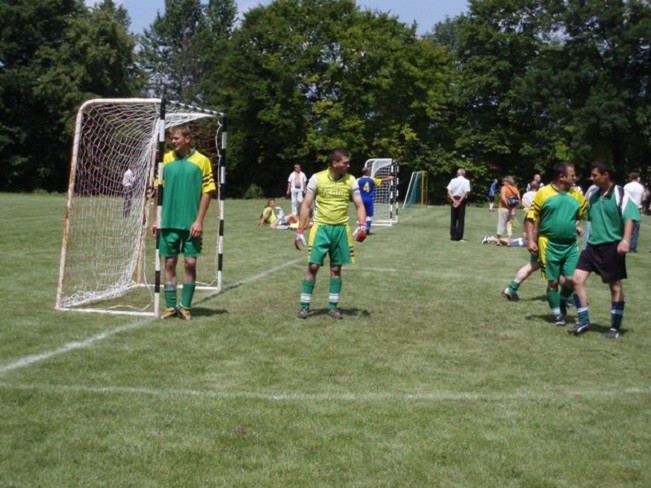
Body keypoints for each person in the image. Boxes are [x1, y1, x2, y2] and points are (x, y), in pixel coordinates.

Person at [151, 124, 216, 320]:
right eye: (171, 138)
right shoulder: (165, 160)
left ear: (187, 139)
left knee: (190, 263)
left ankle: (185, 307)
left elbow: (208, 192)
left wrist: (199, 221)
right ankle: (170, 307)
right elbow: (158, 191)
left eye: (176, 138)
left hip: (191, 224)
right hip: (168, 222)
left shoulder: (202, 161)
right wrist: (156, 218)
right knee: (169, 262)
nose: (173, 141)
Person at [570, 160, 641, 338]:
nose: (592, 178)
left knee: (615, 286)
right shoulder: (593, 194)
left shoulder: (620, 194)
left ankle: (615, 328)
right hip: (592, 246)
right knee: (576, 280)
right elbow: (585, 214)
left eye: (595, 175)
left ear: (605, 175)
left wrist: (626, 241)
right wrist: (577, 225)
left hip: (612, 246)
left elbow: (630, 217)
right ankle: (584, 321)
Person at [294, 148, 367, 319]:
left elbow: (359, 205)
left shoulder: (351, 180)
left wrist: (363, 225)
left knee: (336, 269)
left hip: (341, 229)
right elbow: (306, 205)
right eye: (345, 163)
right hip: (321, 228)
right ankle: (304, 307)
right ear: (335, 163)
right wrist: (300, 230)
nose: (348, 165)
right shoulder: (317, 178)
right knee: (313, 267)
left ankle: (333, 307)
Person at [526, 162, 587, 326]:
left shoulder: (577, 195)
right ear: (561, 176)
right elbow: (531, 218)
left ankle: (562, 300)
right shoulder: (543, 193)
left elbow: (587, 213)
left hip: (570, 245)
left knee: (572, 279)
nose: (575, 177)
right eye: (572, 175)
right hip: (548, 244)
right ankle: (558, 315)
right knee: (553, 282)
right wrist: (531, 240)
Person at [357, 166, 394, 234]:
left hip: (360, 199)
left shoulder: (358, 180)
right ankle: (367, 228)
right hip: (369, 199)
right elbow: (382, 180)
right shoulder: (372, 179)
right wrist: (390, 178)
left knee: (361, 214)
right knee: (368, 216)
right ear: (368, 172)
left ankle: (361, 228)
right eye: (369, 171)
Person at [446, 168, 471, 241]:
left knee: (453, 218)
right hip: (461, 200)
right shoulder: (466, 181)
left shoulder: (453, 180)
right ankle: (459, 236)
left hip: (453, 198)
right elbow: (465, 192)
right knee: (460, 219)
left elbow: (449, 191)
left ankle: (453, 235)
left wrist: (454, 200)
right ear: (464, 174)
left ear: (457, 174)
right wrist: (459, 201)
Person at [495, 176, 520, 245]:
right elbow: (518, 200)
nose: (503, 183)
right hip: (512, 209)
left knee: (501, 223)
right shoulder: (515, 189)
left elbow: (503, 198)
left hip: (503, 207)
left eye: (504, 181)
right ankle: (509, 241)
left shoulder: (504, 188)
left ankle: (498, 240)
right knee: (509, 224)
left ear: (507, 182)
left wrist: (508, 206)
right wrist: (514, 208)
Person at [623, 172, 644, 252]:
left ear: (630, 178)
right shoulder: (641, 187)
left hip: (628, 208)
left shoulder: (627, 186)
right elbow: (641, 198)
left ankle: (624, 243)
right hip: (637, 208)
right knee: (635, 230)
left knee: (625, 227)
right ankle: (632, 248)